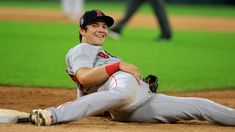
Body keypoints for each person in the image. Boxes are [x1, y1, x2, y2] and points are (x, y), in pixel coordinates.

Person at [30, 9, 235, 126]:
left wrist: (143, 84)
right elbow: (84, 77)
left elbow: (89, 97)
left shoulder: (100, 54)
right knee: (120, 93)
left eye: (104, 26)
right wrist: (118, 65)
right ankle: (52, 114)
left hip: (140, 104)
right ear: (82, 30)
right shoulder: (81, 49)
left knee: (201, 105)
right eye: (95, 25)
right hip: (121, 89)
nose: (102, 29)